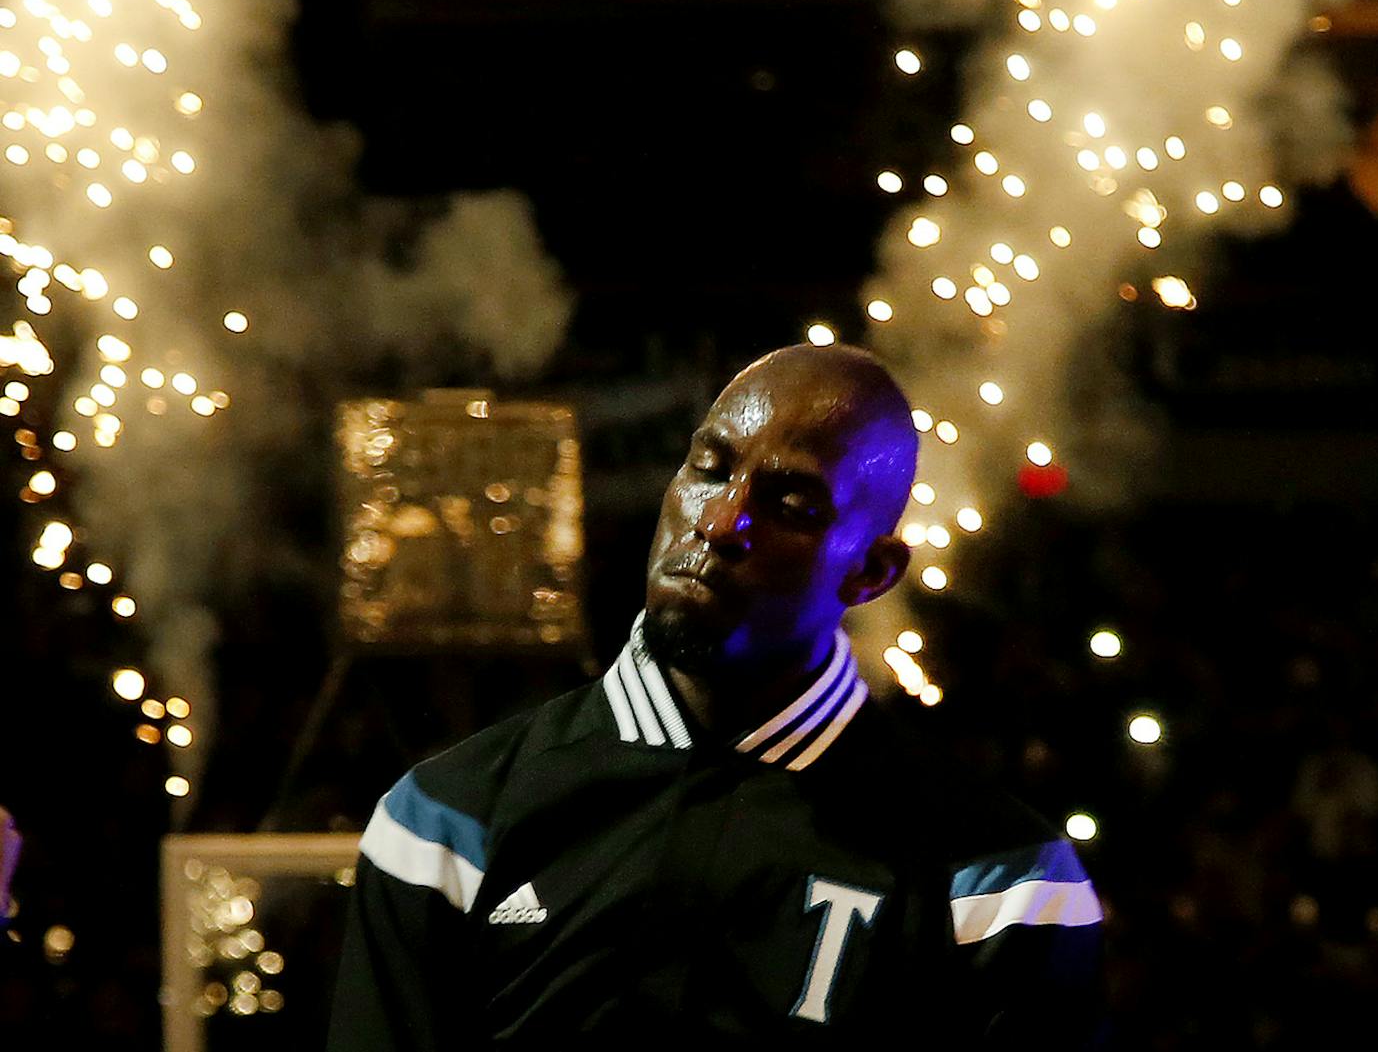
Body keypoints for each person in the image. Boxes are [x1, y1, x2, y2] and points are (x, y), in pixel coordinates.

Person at [330, 344, 1105, 1047]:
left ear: (871, 571)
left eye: (790, 504)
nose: (722, 519)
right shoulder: (444, 820)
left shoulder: (1006, 883)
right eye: (709, 467)